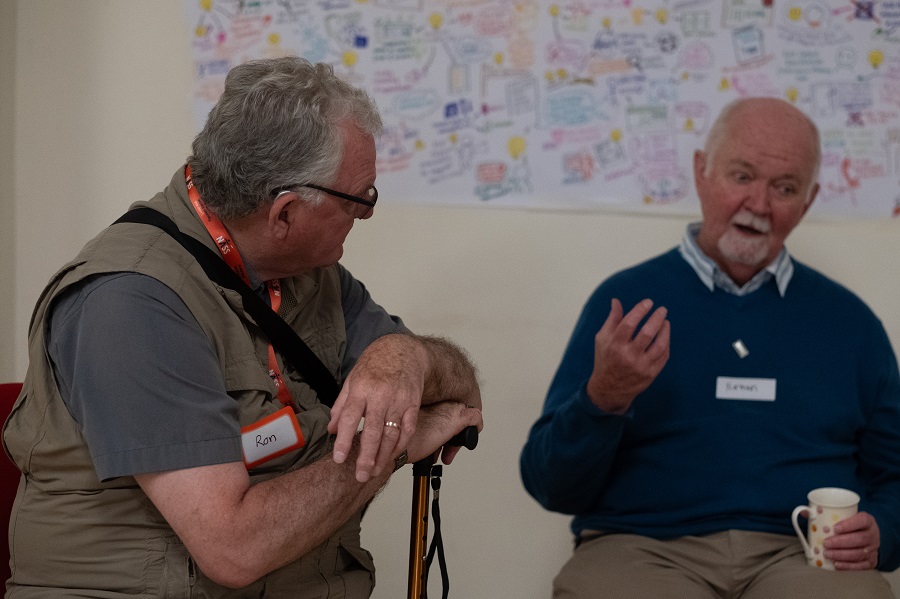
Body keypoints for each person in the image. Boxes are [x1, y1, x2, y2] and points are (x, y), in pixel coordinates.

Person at [2, 57, 482, 597]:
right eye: (361, 200)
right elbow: (234, 549)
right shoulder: (130, 303)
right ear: (284, 214)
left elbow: (461, 390)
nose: (366, 216)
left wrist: (406, 359)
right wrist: (392, 440)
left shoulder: (310, 275)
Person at [520, 97, 900, 598]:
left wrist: (884, 532)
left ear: (807, 202)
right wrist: (603, 398)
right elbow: (550, 485)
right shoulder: (626, 306)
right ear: (701, 172)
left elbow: (894, 474)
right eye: (742, 177)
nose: (759, 205)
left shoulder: (850, 323)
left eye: (784, 188)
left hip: (802, 553)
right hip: (643, 548)